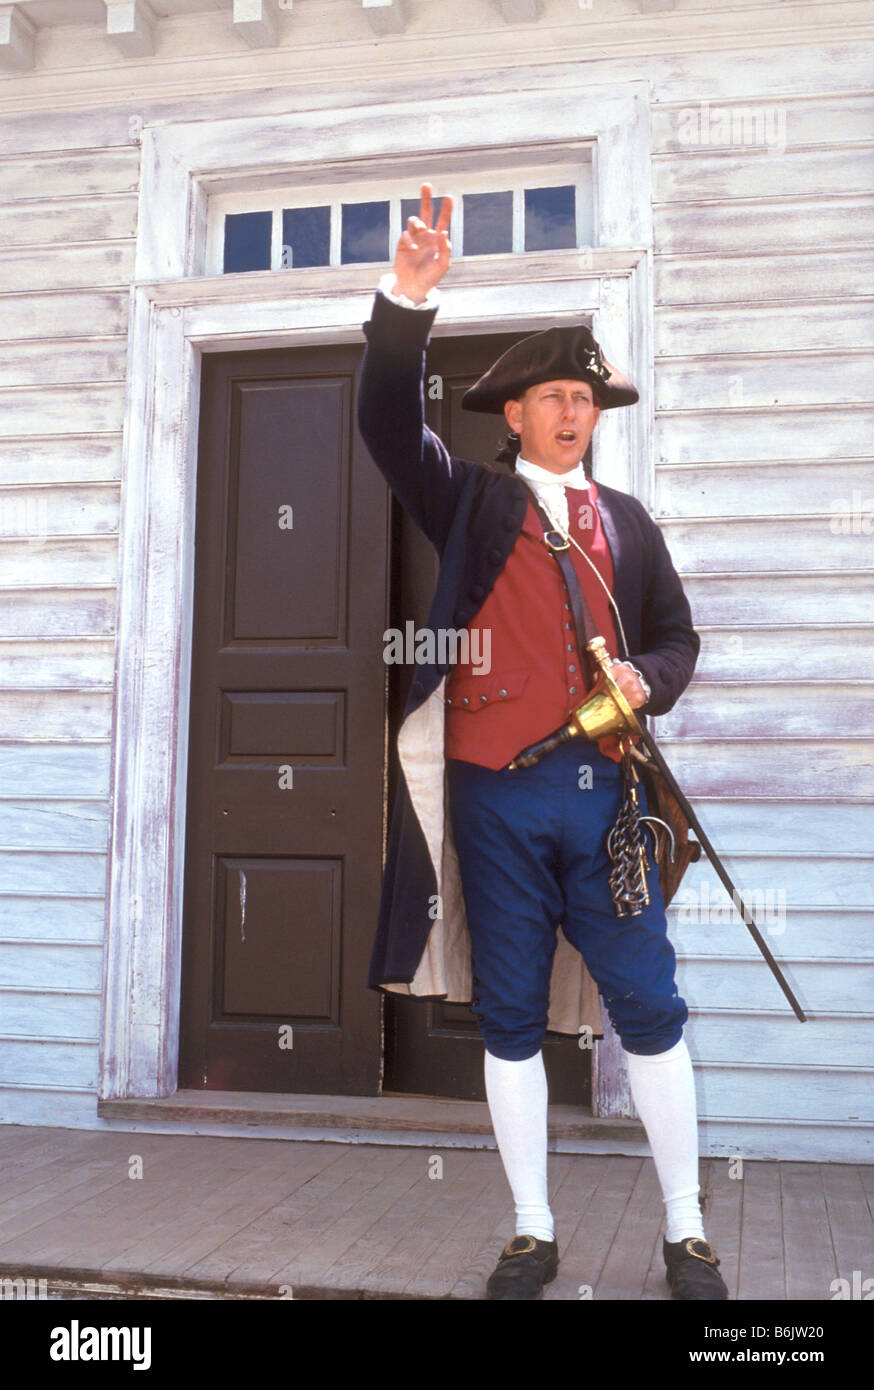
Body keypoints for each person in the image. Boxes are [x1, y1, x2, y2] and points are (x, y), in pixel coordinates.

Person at [357, 183, 729, 1301]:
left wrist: (645, 680)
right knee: (510, 1012)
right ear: (511, 413)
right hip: (492, 797)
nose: (573, 413)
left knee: (648, 1005)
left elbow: (676, 638)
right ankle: (530, 1228)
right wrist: (402, 305)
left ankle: (685, 1229)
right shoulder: (466, 501)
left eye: (586, 397)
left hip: (604, 797)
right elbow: (383, 423)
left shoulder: (628, 525)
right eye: (553, 397)